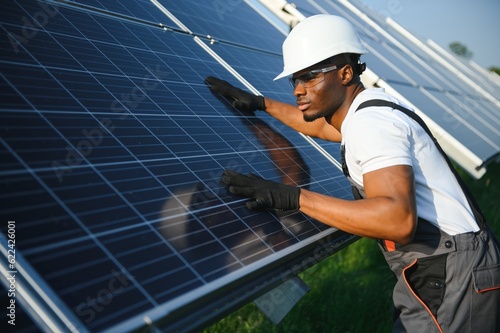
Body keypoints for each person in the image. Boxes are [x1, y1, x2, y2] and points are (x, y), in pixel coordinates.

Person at [205, 14, 500, 333]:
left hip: (449, 274)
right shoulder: (371, 106)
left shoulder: (371, 126)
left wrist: (294, 197)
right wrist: (262, 104)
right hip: (457, 265)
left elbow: (396, 221)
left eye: (309, 78)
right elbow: (322, 126)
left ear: (345, 73)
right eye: (295, 81)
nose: (298, 91)